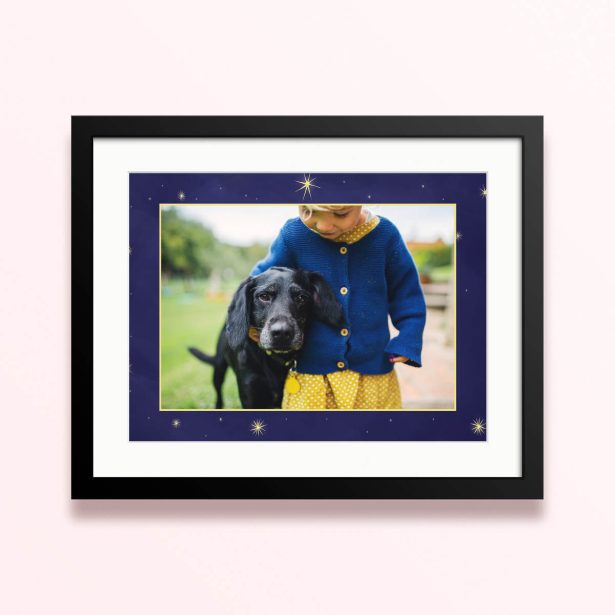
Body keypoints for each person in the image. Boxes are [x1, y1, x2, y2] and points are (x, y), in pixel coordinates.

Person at [250, 204, 426, 409]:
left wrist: (408, 338)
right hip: (312, 374)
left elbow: (407, 293)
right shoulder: (294, 235)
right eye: (309, 212)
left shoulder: (385, 236)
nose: (324, 226)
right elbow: (259, 280)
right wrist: (252, 322)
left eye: (340, 214)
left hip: (371, 375)